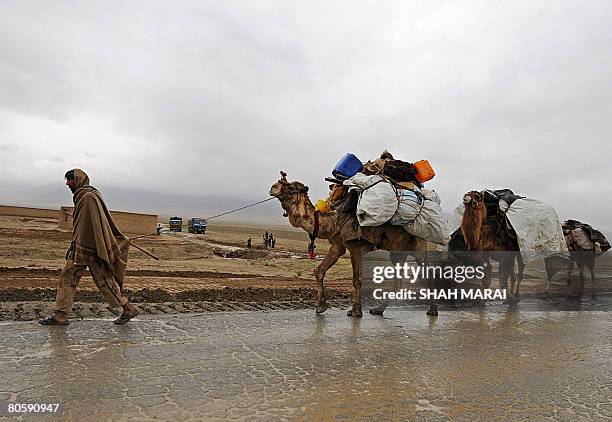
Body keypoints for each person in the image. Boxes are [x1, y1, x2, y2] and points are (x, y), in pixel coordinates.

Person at [39, 169, 138, 326]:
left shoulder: (89, 197)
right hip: (81, 248)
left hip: (92, 249)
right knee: (68, 277)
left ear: (77, 179)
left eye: (69, 180)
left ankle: (127, 308)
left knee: (103, 281)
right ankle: (60, 315)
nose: (67, 183)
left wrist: (90, 245)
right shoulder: (82, 196)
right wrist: (75, 245)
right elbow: (82, 225)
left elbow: (95, 226)